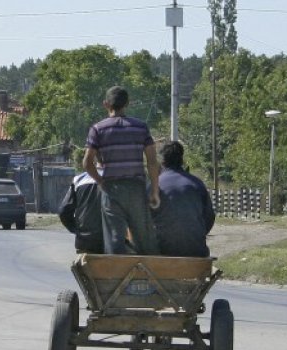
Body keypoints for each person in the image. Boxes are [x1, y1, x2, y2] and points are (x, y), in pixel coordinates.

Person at [82, 86, 160, 255]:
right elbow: (152, 162)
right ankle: (148, 276)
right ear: (127, 104)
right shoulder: (141, 127)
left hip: (112, 189)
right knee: (144, 239)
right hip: (136, 189)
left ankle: (116, 276)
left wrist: (101, 182)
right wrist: (154, 191)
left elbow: (87, 163)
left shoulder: (98, 129)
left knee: (114, 239)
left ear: (106, 104)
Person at [152, 141, 215, 257]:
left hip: (162, 251)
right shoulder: (197, 184)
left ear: (162, 161)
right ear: (182, 159)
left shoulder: (154, 185)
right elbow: (209, 217)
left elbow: (144, 221)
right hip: (196, 250)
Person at [58, 167, 104, 254]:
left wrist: (77, 230)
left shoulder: (79, 179)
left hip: (85, 242)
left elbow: (63, 211)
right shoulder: (118, 179)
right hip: (113, 242)